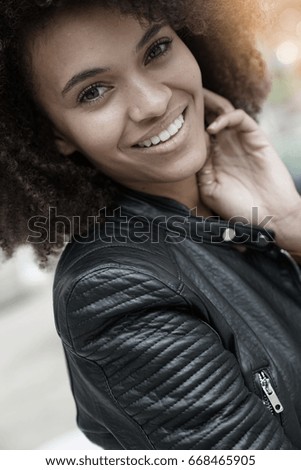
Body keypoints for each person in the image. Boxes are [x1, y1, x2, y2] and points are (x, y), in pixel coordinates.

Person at [0, 0, 301, 450]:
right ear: (53, 136)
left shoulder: (253, 204)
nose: (154, 102)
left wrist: (293, 227)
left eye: (157, 49)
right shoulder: (113, 290)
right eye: (93, 92)